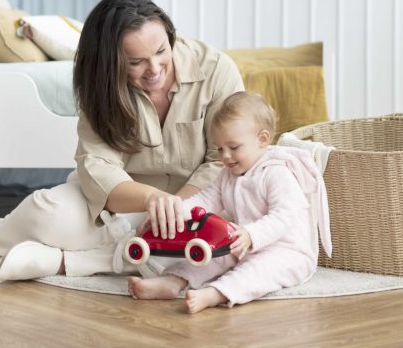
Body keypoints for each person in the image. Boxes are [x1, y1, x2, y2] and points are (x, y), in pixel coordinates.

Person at [0, 0, 244, 281]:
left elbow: (223, 160)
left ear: (170, 36)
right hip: (124, 205)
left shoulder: (216, 69)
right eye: (136, 62)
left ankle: (66, 262)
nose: (155, 69)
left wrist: (178, 210)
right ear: (112, 62)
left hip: (199, 205)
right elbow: (98, 167)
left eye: (161, 51)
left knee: (228, 242)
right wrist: (151, 201)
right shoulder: (101, 87)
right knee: (48, 211)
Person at [127, 91, 331, 313]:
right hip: (243, 241)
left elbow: (286, 214)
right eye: (220, 148)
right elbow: (204, 201)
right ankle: (173, 281)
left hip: (287, 251)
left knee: (258, 270)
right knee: (210, 254)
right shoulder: (228, 174)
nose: (225, 156)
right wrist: (173, 213)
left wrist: (252, 234)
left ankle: (215, 293)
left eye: (233, 147)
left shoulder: (277, 173)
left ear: (262, 139)